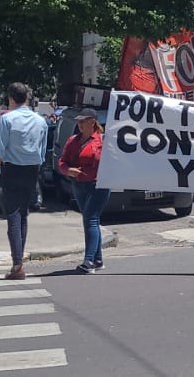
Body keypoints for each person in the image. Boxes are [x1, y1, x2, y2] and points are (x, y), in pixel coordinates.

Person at [0, 83, 48, 280]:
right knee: (23, 214)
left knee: (13, 216)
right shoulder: (40, 121)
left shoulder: (6, 119)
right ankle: (18, 261)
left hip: (13, 169)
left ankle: (17, 264)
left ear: (11, 98)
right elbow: (42, 151)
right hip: (32, 170)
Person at [59, 108, 109, 274]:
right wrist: (68, 170)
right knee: (90, 220)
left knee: (91, 219)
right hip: (79, 185)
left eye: (83, 121)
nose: (79, 124)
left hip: (98, 185)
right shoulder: (72, 140)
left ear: (92, 122)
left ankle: (88, 261)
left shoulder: (103, 140)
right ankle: (98, 260)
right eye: (78, 121)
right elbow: (62, 162)